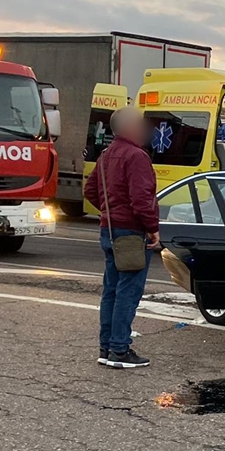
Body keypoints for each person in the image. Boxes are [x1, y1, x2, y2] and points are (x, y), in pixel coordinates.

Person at [83, 106, 161, 369]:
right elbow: (141, 200)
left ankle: (106, 348)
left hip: (110, 229)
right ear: (130, 127)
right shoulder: (136, 156)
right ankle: (119, 349)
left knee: (112, 290)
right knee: (129, 292)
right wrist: (152, 227)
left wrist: (108, 210)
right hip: (131, 232)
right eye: (140, 124)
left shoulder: (106, 155)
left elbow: (90, 190)